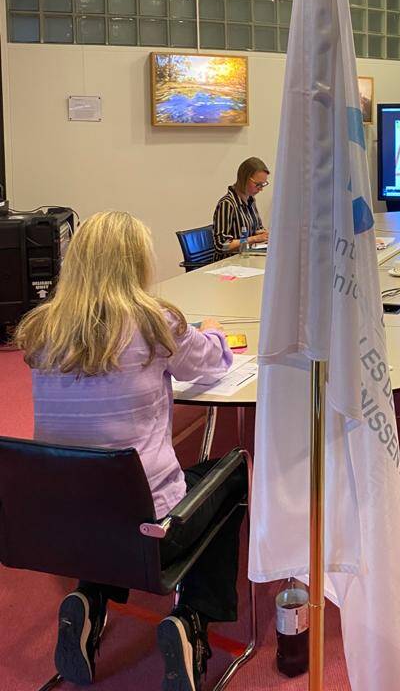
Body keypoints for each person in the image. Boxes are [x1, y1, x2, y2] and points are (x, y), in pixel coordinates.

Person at [15, 211, 246, 691]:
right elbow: (211, 364)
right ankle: (192, 620)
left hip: (64, 529)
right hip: (149, 530)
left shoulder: (41, 329)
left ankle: (90, 596)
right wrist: (213, 331)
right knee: (231, 475)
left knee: (102, 492)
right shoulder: (155, 322)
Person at [213, 156, 270, 260]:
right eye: (258, 184)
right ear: (244, 179)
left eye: (263, 184)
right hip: (229, 263)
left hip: (247, 258)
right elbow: (221, 245)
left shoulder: (251, 201)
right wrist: (254, 239)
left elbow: (257, 230)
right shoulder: (227, 204)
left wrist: (264, 234)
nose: (261, 189)